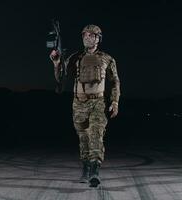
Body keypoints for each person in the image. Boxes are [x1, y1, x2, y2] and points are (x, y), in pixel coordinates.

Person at [49, 24, 121, 187]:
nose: (87, 38)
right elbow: (60, 79)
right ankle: (86, 168)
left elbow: (115, 82)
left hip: (98, 103)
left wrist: (115, 101)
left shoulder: (107, 59)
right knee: (83, 138)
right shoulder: (75, 58)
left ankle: (95, 171)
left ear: (98, 39)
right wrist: (56, 63)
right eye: (84, 35)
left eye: (91, 35)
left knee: (95, 134)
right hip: (79, 103)